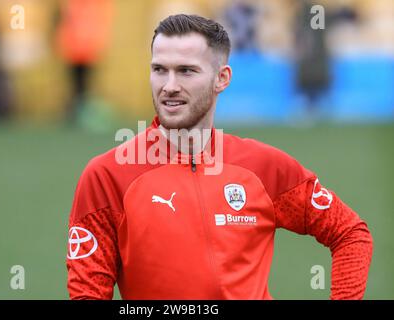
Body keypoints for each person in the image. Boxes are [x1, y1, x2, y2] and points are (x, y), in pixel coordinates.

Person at [66, 14, 373, 300]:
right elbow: (87, 292)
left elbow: (349, 233)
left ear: (222, 78)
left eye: (186, 70)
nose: (169, 86)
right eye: (159, 69)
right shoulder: (108, 175)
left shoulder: (263, 167)